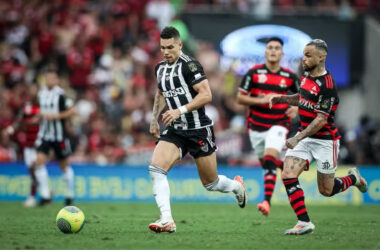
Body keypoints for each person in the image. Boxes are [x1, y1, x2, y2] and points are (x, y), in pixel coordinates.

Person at [148, 26, 248, 233]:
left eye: (169, 47)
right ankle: (167, 220)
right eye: (162, 48)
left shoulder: (190, 65)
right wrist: (153, 119)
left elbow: (206, 95)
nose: (165, 52)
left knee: (211, 183)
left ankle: (236, 186)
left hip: (198, 129)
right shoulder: (160, 68)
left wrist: (179, 110)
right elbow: (160, 93)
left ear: (179, 44)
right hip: (175, 130)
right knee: (156, 169)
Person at [269, 39, 368, 235]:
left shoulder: (328, 85)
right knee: (288, 174)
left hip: (325, 141)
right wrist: (281, 98)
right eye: (303, 55)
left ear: (321, 57)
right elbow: (302, 97)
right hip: (305, 136)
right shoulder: (306, 76)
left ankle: (353, 179)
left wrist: (297, 138)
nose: (303, 59)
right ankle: (304, 222)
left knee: (326, 190)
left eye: (308, 55)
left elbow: (321, 120)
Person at [237, 37, 299, 216]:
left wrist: (295, 107)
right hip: (256, 126)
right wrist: (261, 99)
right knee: (268, 164)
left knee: (270, 157)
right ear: (265, 52)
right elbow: (240, 98)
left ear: (282, 53)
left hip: (279, 124)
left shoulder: (289, 77)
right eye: (270, 47)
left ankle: (266, 202)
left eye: (277, 48)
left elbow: (301, 97)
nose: (273, 50)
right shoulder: (253, 73)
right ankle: (287, 165)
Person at [33, 68, 76, 206]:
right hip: (45, 134)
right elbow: (42, 112)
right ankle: (45, 195)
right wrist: (38, 118)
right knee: (39, 161)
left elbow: (72, 110)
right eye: (47, 78)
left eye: (52, 78)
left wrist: (56, 116)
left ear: (57, 80)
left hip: (59, 136)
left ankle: (69, 195)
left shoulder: (61, 95)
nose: (49, 80)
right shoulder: (41, 94)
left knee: (64, 165)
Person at [6, 85, 40, 207]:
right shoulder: (26, 106)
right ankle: (38, 194)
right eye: (31, 90)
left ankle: (37, 195)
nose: (32, 92)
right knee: (31, 169)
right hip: (28, 143)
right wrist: (12, 128)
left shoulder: (43, 106)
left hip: (40, 143)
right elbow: (19, 120)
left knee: (37, 168)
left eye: (34, 90)